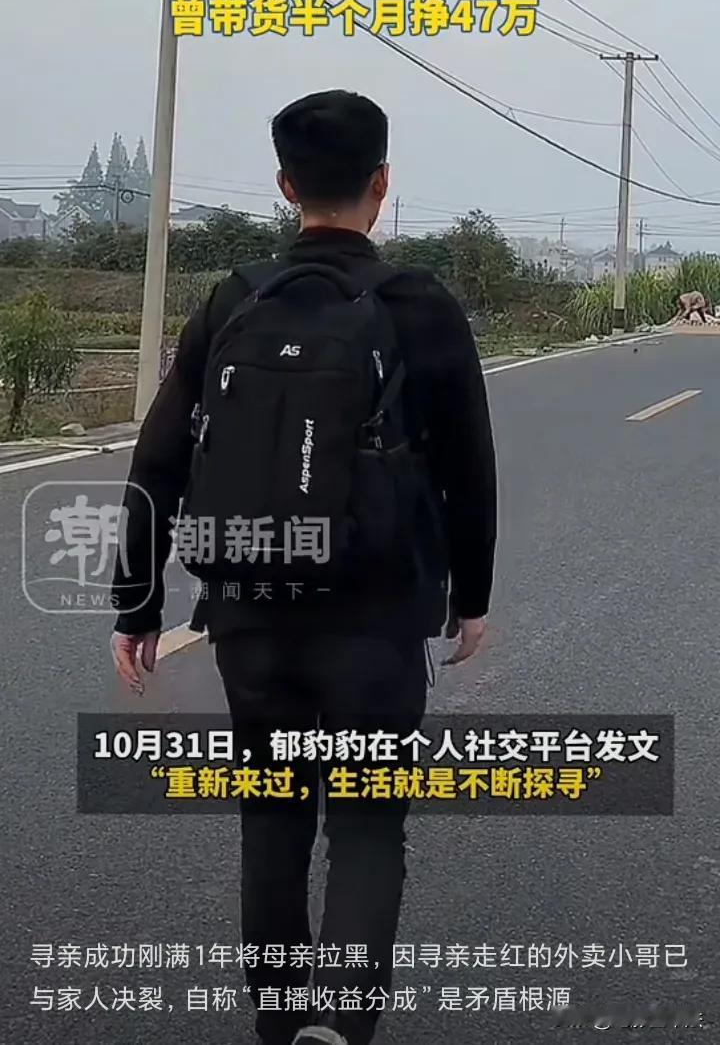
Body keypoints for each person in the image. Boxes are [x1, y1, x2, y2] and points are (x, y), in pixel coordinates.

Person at [111, 90, 497, 1045]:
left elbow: (158, 459)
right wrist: (472, 599)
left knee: (273, 815)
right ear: (382, 183)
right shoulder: (417, 303)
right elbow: (469, 467)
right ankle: (341, 1027)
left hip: (251, 607)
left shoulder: (236, 299)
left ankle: (282, 1024)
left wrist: (137, 606)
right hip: (376, 613)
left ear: (285, 186)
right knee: (366, 821)